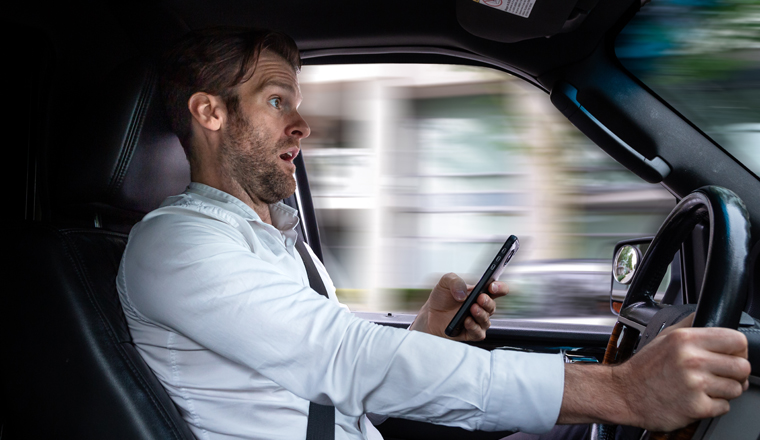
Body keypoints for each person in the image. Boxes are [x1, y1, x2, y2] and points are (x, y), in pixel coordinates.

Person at [116, 27, 751, 440]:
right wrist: (621, 392)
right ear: (210, 112)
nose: (303, 125)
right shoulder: (177, 245)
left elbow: (329, 386)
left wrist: (425, 331)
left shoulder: (278, 239)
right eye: (278, 101)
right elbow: (344, 358)